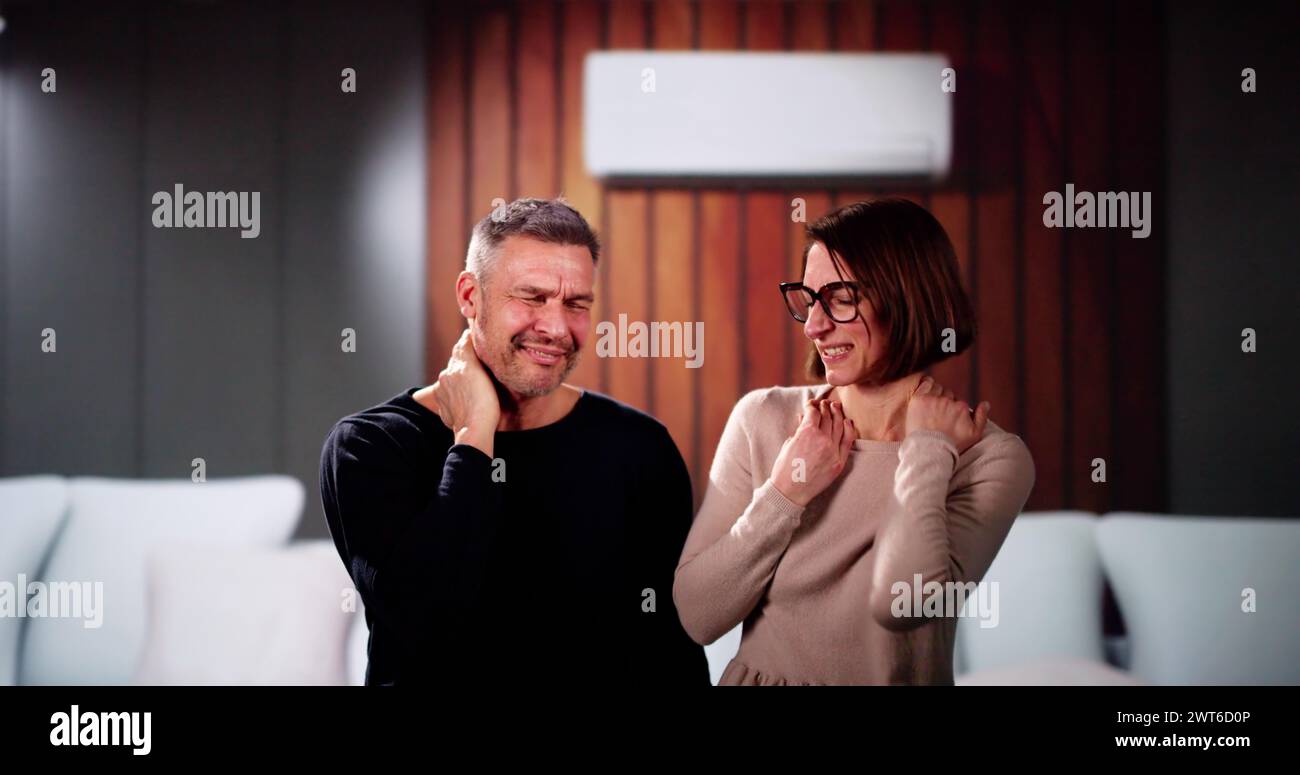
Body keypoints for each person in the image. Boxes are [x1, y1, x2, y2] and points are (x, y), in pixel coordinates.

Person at [320, 197, 708, 686]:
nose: (556, 328)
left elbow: (668, 653)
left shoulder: (639, 449)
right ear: (470, 296)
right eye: (531, 297)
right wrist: (473, 436)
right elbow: (423, 623)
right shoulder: (371, 447)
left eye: (576, 304)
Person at [674, 198, 1036, 685]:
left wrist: (927, 449)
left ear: (908, 296)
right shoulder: (764, 418)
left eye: (841, 299)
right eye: (810, 299)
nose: (816, 326)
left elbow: (901, 603)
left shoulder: (988, 457)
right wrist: (786, 492)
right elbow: (697, 615)